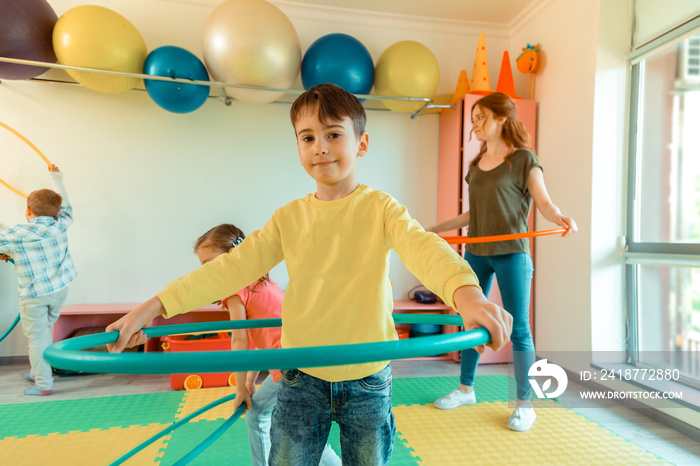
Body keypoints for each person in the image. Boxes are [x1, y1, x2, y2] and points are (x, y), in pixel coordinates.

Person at [106, 83, 513, 465]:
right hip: (300, 379)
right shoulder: (289, 219)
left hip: (368, 378)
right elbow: (228, 269)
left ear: (362, 143)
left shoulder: (381, 209)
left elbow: (426, 249)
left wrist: (467, 296)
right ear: (297, 146)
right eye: (308, 137)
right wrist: (155, 306)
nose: (320, 147)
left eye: (334, 134)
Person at [429, 92, 577, 432]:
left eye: (480, 117)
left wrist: (560, 217)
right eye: (473, 119)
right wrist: (438, 228)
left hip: (512, 253)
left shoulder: (523, 159)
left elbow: (544, 202)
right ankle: (466, 388)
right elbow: (475, 213)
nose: (475, 124)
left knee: (520, 329)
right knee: (470, 322)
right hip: (477, 255)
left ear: (500, 118)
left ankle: (525, 404)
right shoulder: (476, 166)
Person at [193, 223, 340, 466]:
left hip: (288, 367)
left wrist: (240, 389)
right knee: (304, 433)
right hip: (300, 360)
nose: (205, 271)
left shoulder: (235, 290)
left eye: (209, 263)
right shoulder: (261, 282)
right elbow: (261, 341)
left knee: (259, 416)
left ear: (232, 256)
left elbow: (239, 340)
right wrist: (250, 381)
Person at [0, 165, 77, 396]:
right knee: (44, 332)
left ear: (27, 211)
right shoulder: (61, 223)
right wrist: (56, 178)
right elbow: (66, 204)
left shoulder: (16, 235)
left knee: (37, 338)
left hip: (34, 296)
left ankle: (43, 384)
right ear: (56, 211)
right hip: (59, 290)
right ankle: (38, 371)